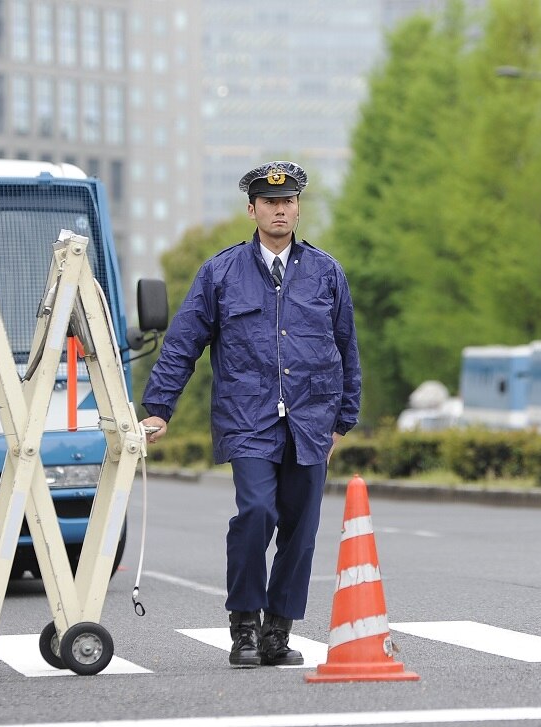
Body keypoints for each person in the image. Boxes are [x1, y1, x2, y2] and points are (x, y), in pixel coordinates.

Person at [140, 160, 362, 668]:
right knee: (257, 511)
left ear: (298, 209)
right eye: (269, 202)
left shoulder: (326, 272)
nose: (279, 210)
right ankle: (244, 624)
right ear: (252, 210)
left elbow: (346, 347)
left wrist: (343, 420)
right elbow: (183, 343)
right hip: (247, 417)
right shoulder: (220, 273)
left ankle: (277, 632)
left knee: (301, 530)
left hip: (311, 420)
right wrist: (159, 408)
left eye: (287, 202)